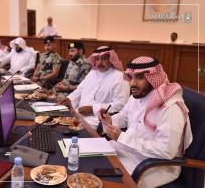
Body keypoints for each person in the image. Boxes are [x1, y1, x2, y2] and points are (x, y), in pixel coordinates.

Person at [98, 56, 193, 187]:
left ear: (152, 78)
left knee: (102, 183)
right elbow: (124, 117)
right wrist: (109, 119)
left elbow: (166, 151)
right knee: (92, 163)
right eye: (131, 77)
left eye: (140, 77)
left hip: (152, 166)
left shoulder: (170, 107)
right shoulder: (138, 96)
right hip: (128, 152)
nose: (132, 83)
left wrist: (122, 137)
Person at [61, 46, 130, 129]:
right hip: (78, 114)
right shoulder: (92, 73)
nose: (99, 62)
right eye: (97, 59)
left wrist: (93, 109)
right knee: (58, 122)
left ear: (111, 60)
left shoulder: (119, 77)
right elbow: (80, 90)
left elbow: (120, 105)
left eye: (103, 59)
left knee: (68, 129)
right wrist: (69, 99)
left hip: (97, 120)